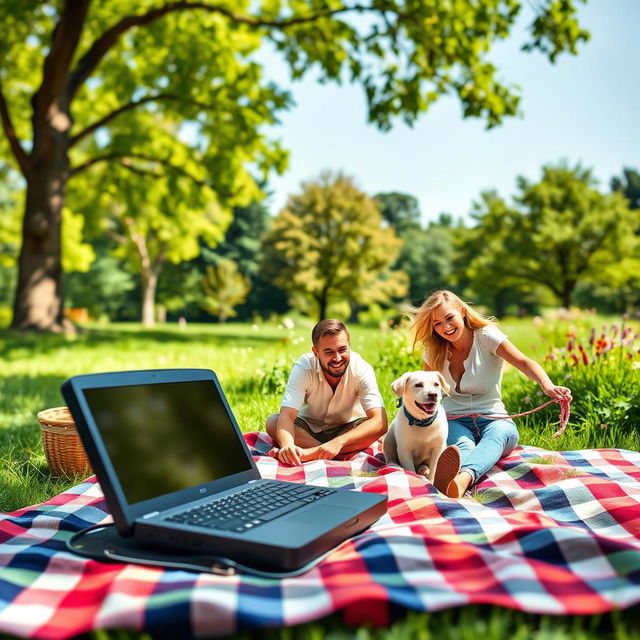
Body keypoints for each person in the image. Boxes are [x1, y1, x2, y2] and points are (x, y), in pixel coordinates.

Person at [409, 290, 572, 498]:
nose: (445, 327)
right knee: (461, 446)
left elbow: (523, 362)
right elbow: (426, 387)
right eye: (437, 323)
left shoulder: (486, 336)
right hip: (453, 419)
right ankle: (456, 480)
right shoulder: (434, 349)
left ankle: (461, 479)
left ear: (462, 311)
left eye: (449, 318)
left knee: (501, 435)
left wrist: (548, 386)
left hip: (493, 416)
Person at [266, 319, 388, 465]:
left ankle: (309, 454)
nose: (337, 358)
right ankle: (323, 454)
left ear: (350, 346)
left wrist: (338, 442)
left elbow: (380, 422)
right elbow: (287, 416)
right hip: (309, 429)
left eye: (342, 349)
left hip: (348, 430)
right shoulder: (304, 367)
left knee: (373, 428)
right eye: (329, 352)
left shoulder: (362, 369)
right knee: (273, 422)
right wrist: (287, 446)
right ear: (315, 352)